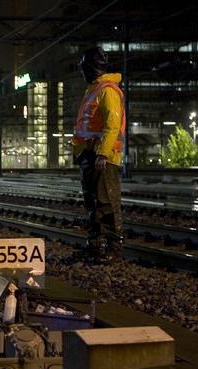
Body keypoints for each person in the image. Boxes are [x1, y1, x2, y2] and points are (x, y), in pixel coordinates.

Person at [71, 47, 125, 261]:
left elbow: (113, 125)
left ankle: (114, 247)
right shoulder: (94, 89)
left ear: (90, 68)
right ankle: (96, 246)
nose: (82, 72)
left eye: (83, 68)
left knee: (107, 202)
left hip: (103, 157)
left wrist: (103, 154)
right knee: (93, 203)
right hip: (89, 154)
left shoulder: (107, 90)